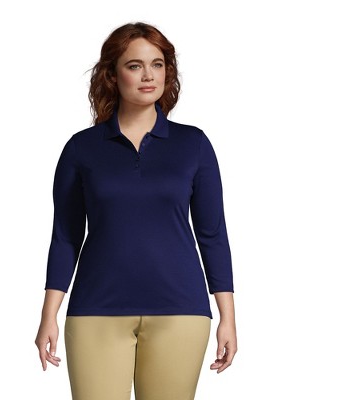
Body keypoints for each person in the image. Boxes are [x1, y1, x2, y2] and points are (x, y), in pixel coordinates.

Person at [35, 22, 237, 400]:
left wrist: (228, 316)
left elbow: (212, 234)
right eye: (135, 65)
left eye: (157, 64)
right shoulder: (81, 149)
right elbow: (65, 237)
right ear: (112, 75)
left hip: (181, 312)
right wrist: (49, 315)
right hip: (95, 311)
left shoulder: (193, 144)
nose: (148, 75)